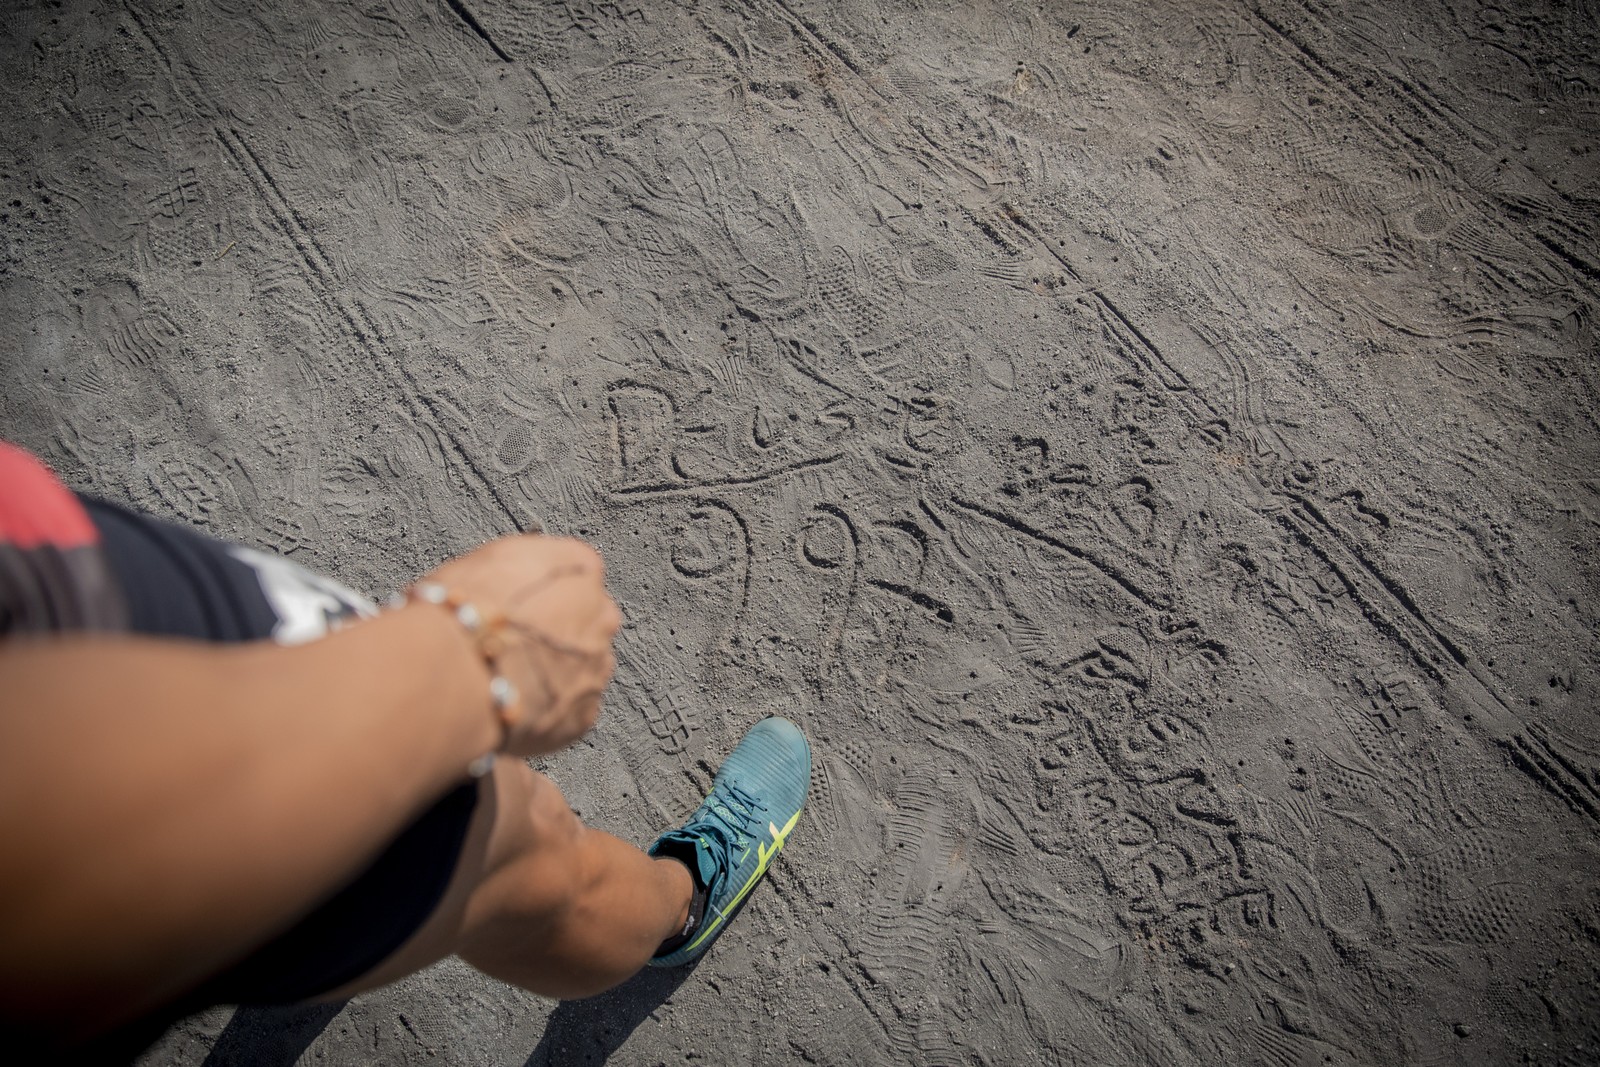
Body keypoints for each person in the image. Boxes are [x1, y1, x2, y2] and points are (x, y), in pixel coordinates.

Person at [0, 440, 810, 1059]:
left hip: (50, 564)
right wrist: (473, 657)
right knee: (542, 858)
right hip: (185, 814)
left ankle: (311, 915)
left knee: (357, 762)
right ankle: (683, 900)